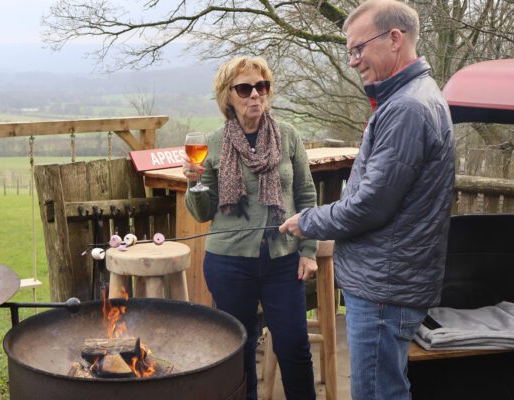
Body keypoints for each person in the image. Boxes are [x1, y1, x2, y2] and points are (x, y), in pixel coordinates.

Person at [279, 1, 455, 399]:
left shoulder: (408, 107)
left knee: (378, 393)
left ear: (394, 39)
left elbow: (371, 204)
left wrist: (309, 220)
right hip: (389, 282)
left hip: (384, 289)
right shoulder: (409, 97)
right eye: (350, 52)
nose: (354, 62)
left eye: (359, 49)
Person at [183, 56, 318, 400]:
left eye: (262, 86)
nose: (255, 94)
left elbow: (305, 194)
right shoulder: (213, 143)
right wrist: (193, 185)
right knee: (238, 352)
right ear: (228, 96)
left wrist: (308, 251)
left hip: (284, 259)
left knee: (294, 347)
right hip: (229, 262)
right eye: (245, 88)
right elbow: (203, 213)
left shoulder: (287, 135)